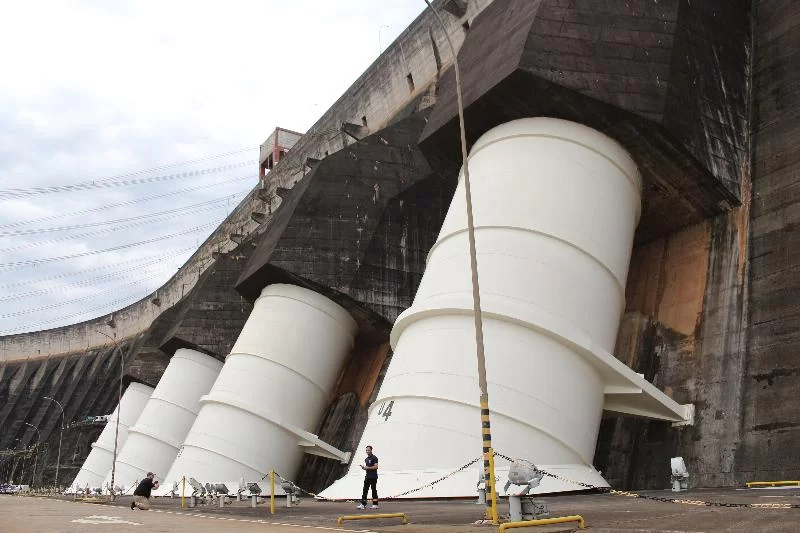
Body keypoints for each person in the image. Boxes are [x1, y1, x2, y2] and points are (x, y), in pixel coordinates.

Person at [357, 445, 379, 509]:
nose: (367, 451)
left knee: (373, 490)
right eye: (366, 450)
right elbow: (368, 468)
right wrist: (364, 468)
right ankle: (363, 504)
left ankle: (375, 505)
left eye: (368, 450)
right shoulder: (366, 459)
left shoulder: (374, 458)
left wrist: (368, 467)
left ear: (371, 450)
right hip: (367, 477)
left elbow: (376, 467)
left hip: (373, 477)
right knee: (365, 490)